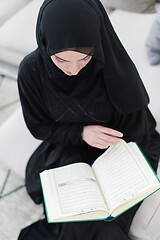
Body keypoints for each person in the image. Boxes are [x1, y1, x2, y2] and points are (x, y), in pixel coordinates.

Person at [17, 0, 160, 239]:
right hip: (69, 146)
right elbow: (40, 127)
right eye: (60, 60)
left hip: (121, 148)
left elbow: (135, 136)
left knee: (100, 223)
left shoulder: (114, 70)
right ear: (45, 44)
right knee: (80, 217)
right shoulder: (31, 71)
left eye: (84, 58)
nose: (73, 69)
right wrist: (81, 133)